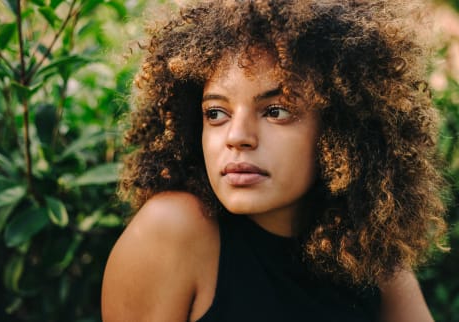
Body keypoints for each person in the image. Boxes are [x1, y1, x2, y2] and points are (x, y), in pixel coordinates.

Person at [102, 0, 448, 321]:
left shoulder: (365, 248)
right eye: (217, 112)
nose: (237, 136)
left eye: (276, 111)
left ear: (342, 128)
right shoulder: (174, 230)